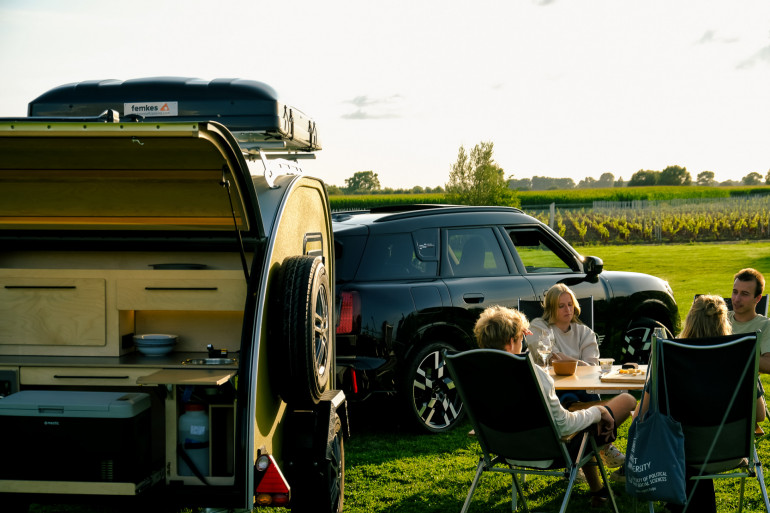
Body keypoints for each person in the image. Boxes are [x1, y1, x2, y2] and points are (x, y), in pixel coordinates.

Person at [473, 305, 637, 507]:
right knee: (625, 402)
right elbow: (565, 426)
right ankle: (614, 478)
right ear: (510, 343)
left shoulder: (476, 375)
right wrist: (598, 412)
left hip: (502, 449)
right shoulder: (533, 374)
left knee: (578, 414)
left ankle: (598, 490)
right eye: (520, 339)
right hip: (550, 453)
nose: (523, 344)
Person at [635, 295, 767, 513]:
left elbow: (641, 416)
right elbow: (760, 414)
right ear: (725, 322)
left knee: (688, 450)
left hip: (680, 453)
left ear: (690, 321)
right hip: (730, 451)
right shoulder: (742, 355)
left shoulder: (669, 355)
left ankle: (677, 504)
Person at [529, 284, 625, 470]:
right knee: (581, 397)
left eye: (570, 304)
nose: (568, 309)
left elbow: (591, 368)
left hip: (581, 387)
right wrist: (576, 363)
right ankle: (604, 446)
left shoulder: (585, 333)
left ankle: (592, 449)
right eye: (561, 306)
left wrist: (564, 360)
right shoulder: (539, 326)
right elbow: (545, 354)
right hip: (552, 389)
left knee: (582, 392)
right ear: (551, 308)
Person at [729, 268, 770, 373]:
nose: (737, 299)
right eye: (735, 292)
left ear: (758, 298)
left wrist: (733, 354)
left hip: (747, 386)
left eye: (744, 294)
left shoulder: (765, 325)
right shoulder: (719, 319)